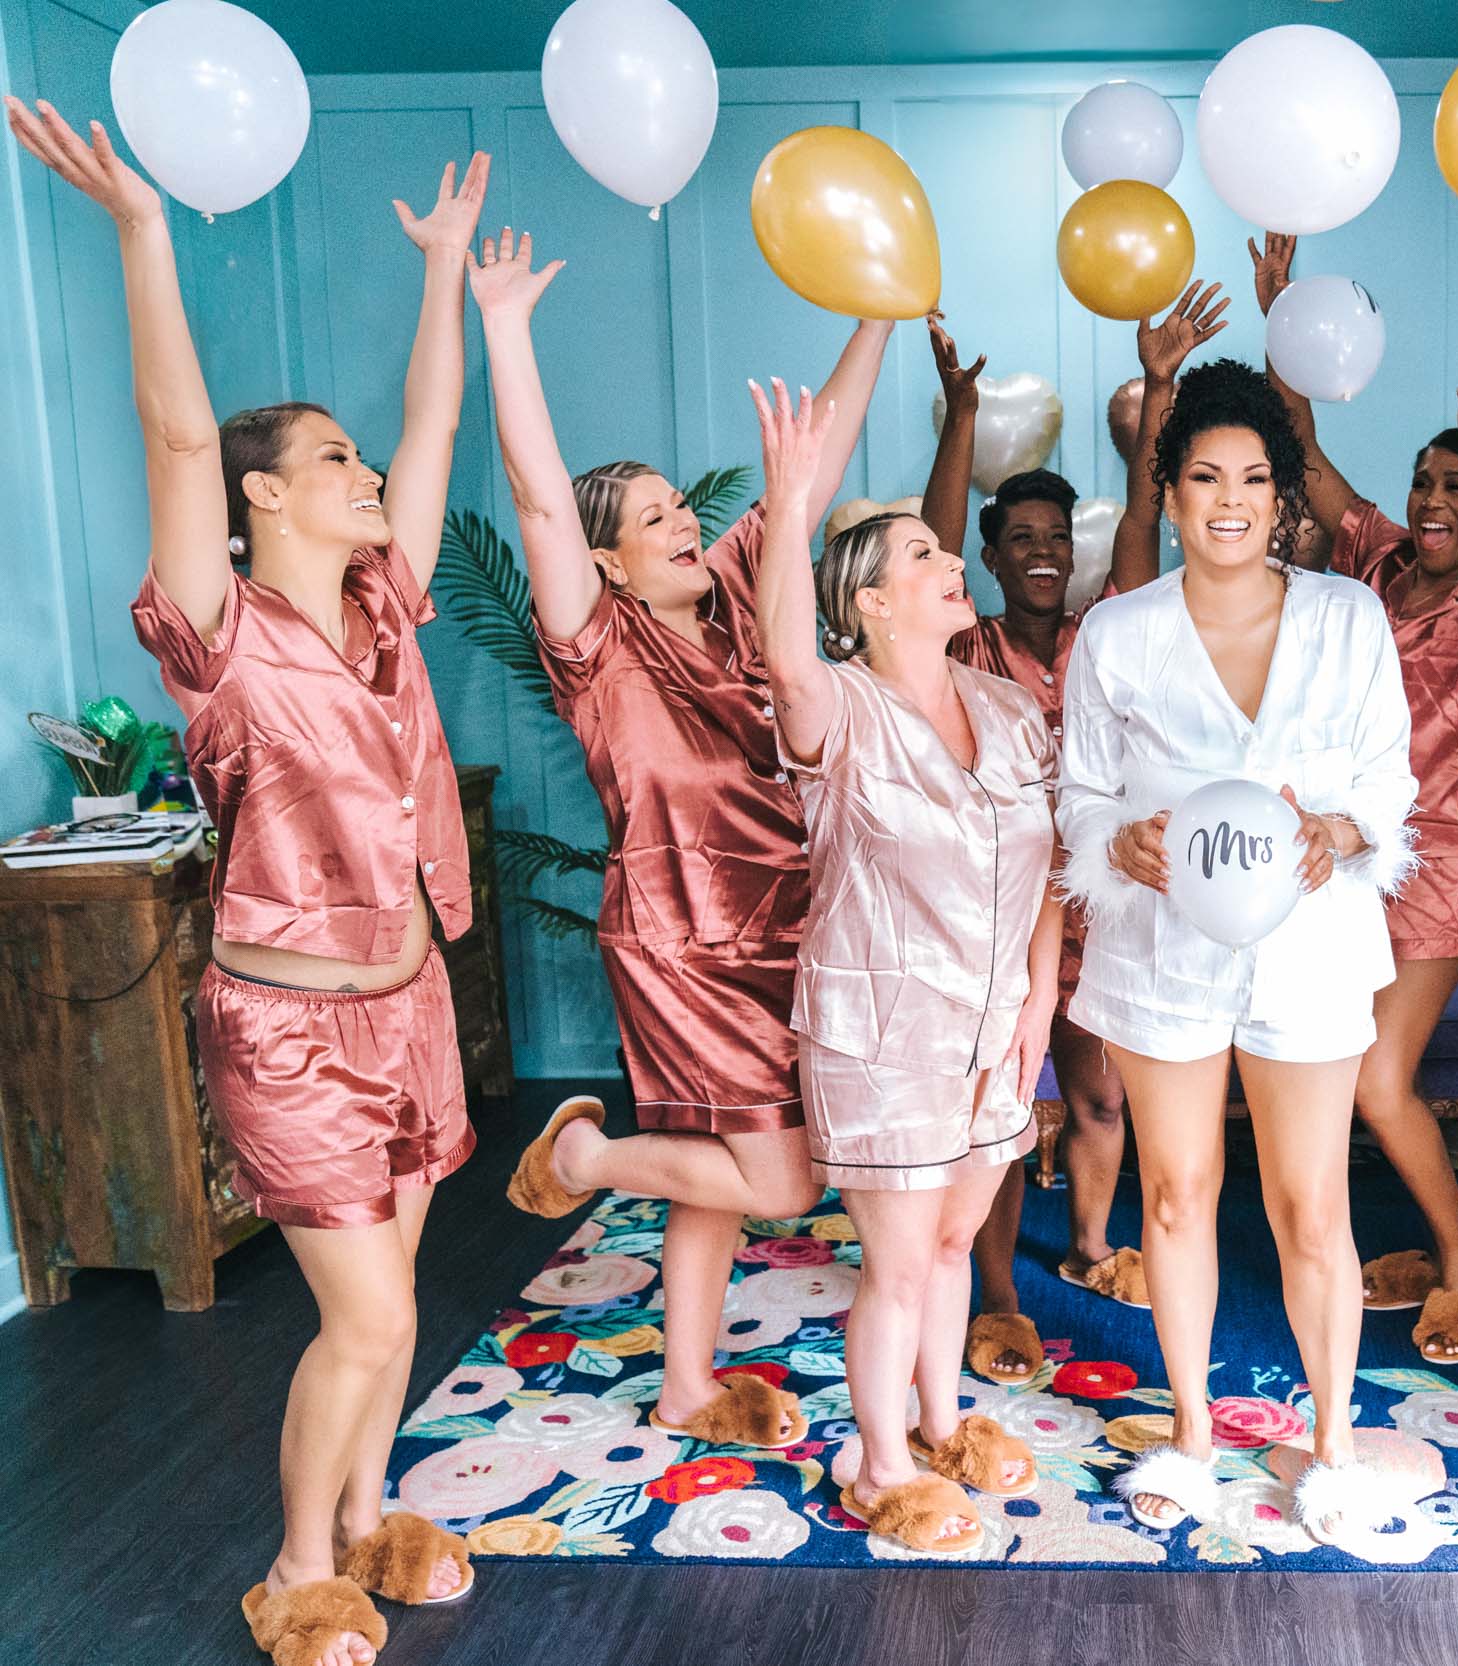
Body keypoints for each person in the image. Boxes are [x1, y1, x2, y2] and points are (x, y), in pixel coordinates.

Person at [9, 96, 485, 1666]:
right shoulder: (214, 632)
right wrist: (144, 234)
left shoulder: (386, 606)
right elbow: (174, 433)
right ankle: (295, 1568)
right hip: (283, 1028)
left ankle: (367, 1519)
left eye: (356, 459)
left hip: (407, 1003)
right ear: (265, 495)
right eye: (329, 460)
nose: (365, 473)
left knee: (398, 1309)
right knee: (362, 1315)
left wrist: (444, 275)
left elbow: (430, 432)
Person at [470, 230, 884, 1450]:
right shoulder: (597, 648)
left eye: (677, 509)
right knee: (785, 1181)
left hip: (797, 925)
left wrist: (882, 306)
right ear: (606, 561)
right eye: (654, 520)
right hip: (686, 937)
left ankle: (685, 1383)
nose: (681, 525)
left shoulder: (749, 598)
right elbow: (540, 496)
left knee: (722, 1163)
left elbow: (822, 451)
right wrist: (503, 327)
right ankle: (589, 1153)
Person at [1057, 359, 1420, 1543]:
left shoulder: (1347, 616)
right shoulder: (1117, 632)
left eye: (1255, 478)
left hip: (1312, 948)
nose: (1230, 498)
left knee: (1313, 1204)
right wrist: (1130, 842)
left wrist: (1337, 828)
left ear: (1284, 498)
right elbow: (1077, 803)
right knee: (1176, 1192)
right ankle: (1194, 1436)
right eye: (1205, 474)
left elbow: (1388, 780)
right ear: (1167, 493)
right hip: (1162, 952)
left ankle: (1331, 1446)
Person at [753, 370, 1063, 1556]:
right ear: (872, 603)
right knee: (893, 1260)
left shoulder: (1008, 704)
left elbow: (1048, 861)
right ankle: (878, 1461)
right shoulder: (836, 707)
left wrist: (1039, 992)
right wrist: (791, 507)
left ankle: (943, 1421)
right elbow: (782, 655)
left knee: (950, 1245)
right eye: (927, 552)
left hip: (996, 1030)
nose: (952, 562)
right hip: (879, 1036)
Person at [1246, 231, 1458, 1365]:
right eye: (1427, 480)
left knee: (1382, 1081)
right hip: (1338, 853)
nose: (1431, 498)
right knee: (1330, 1066)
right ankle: (1355, 1251)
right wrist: (1281, 318)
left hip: (1436, 861)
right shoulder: (1371, 557)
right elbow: (1305, 454)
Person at [919, 290, 1233, 1384]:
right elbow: (927, 534)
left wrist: (1160, 395)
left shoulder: (1111, 635)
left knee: (1100, 1097)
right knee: (1007, 1114)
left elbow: (1144, 527)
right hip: (1000, 923)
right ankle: (999, 1297)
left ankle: (1095, 1247)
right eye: (1022, 541)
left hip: (1104, 914)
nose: (1044, 554)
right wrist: (960, 417)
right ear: (992, 560)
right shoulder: (960, 649)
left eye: (1058, 538)